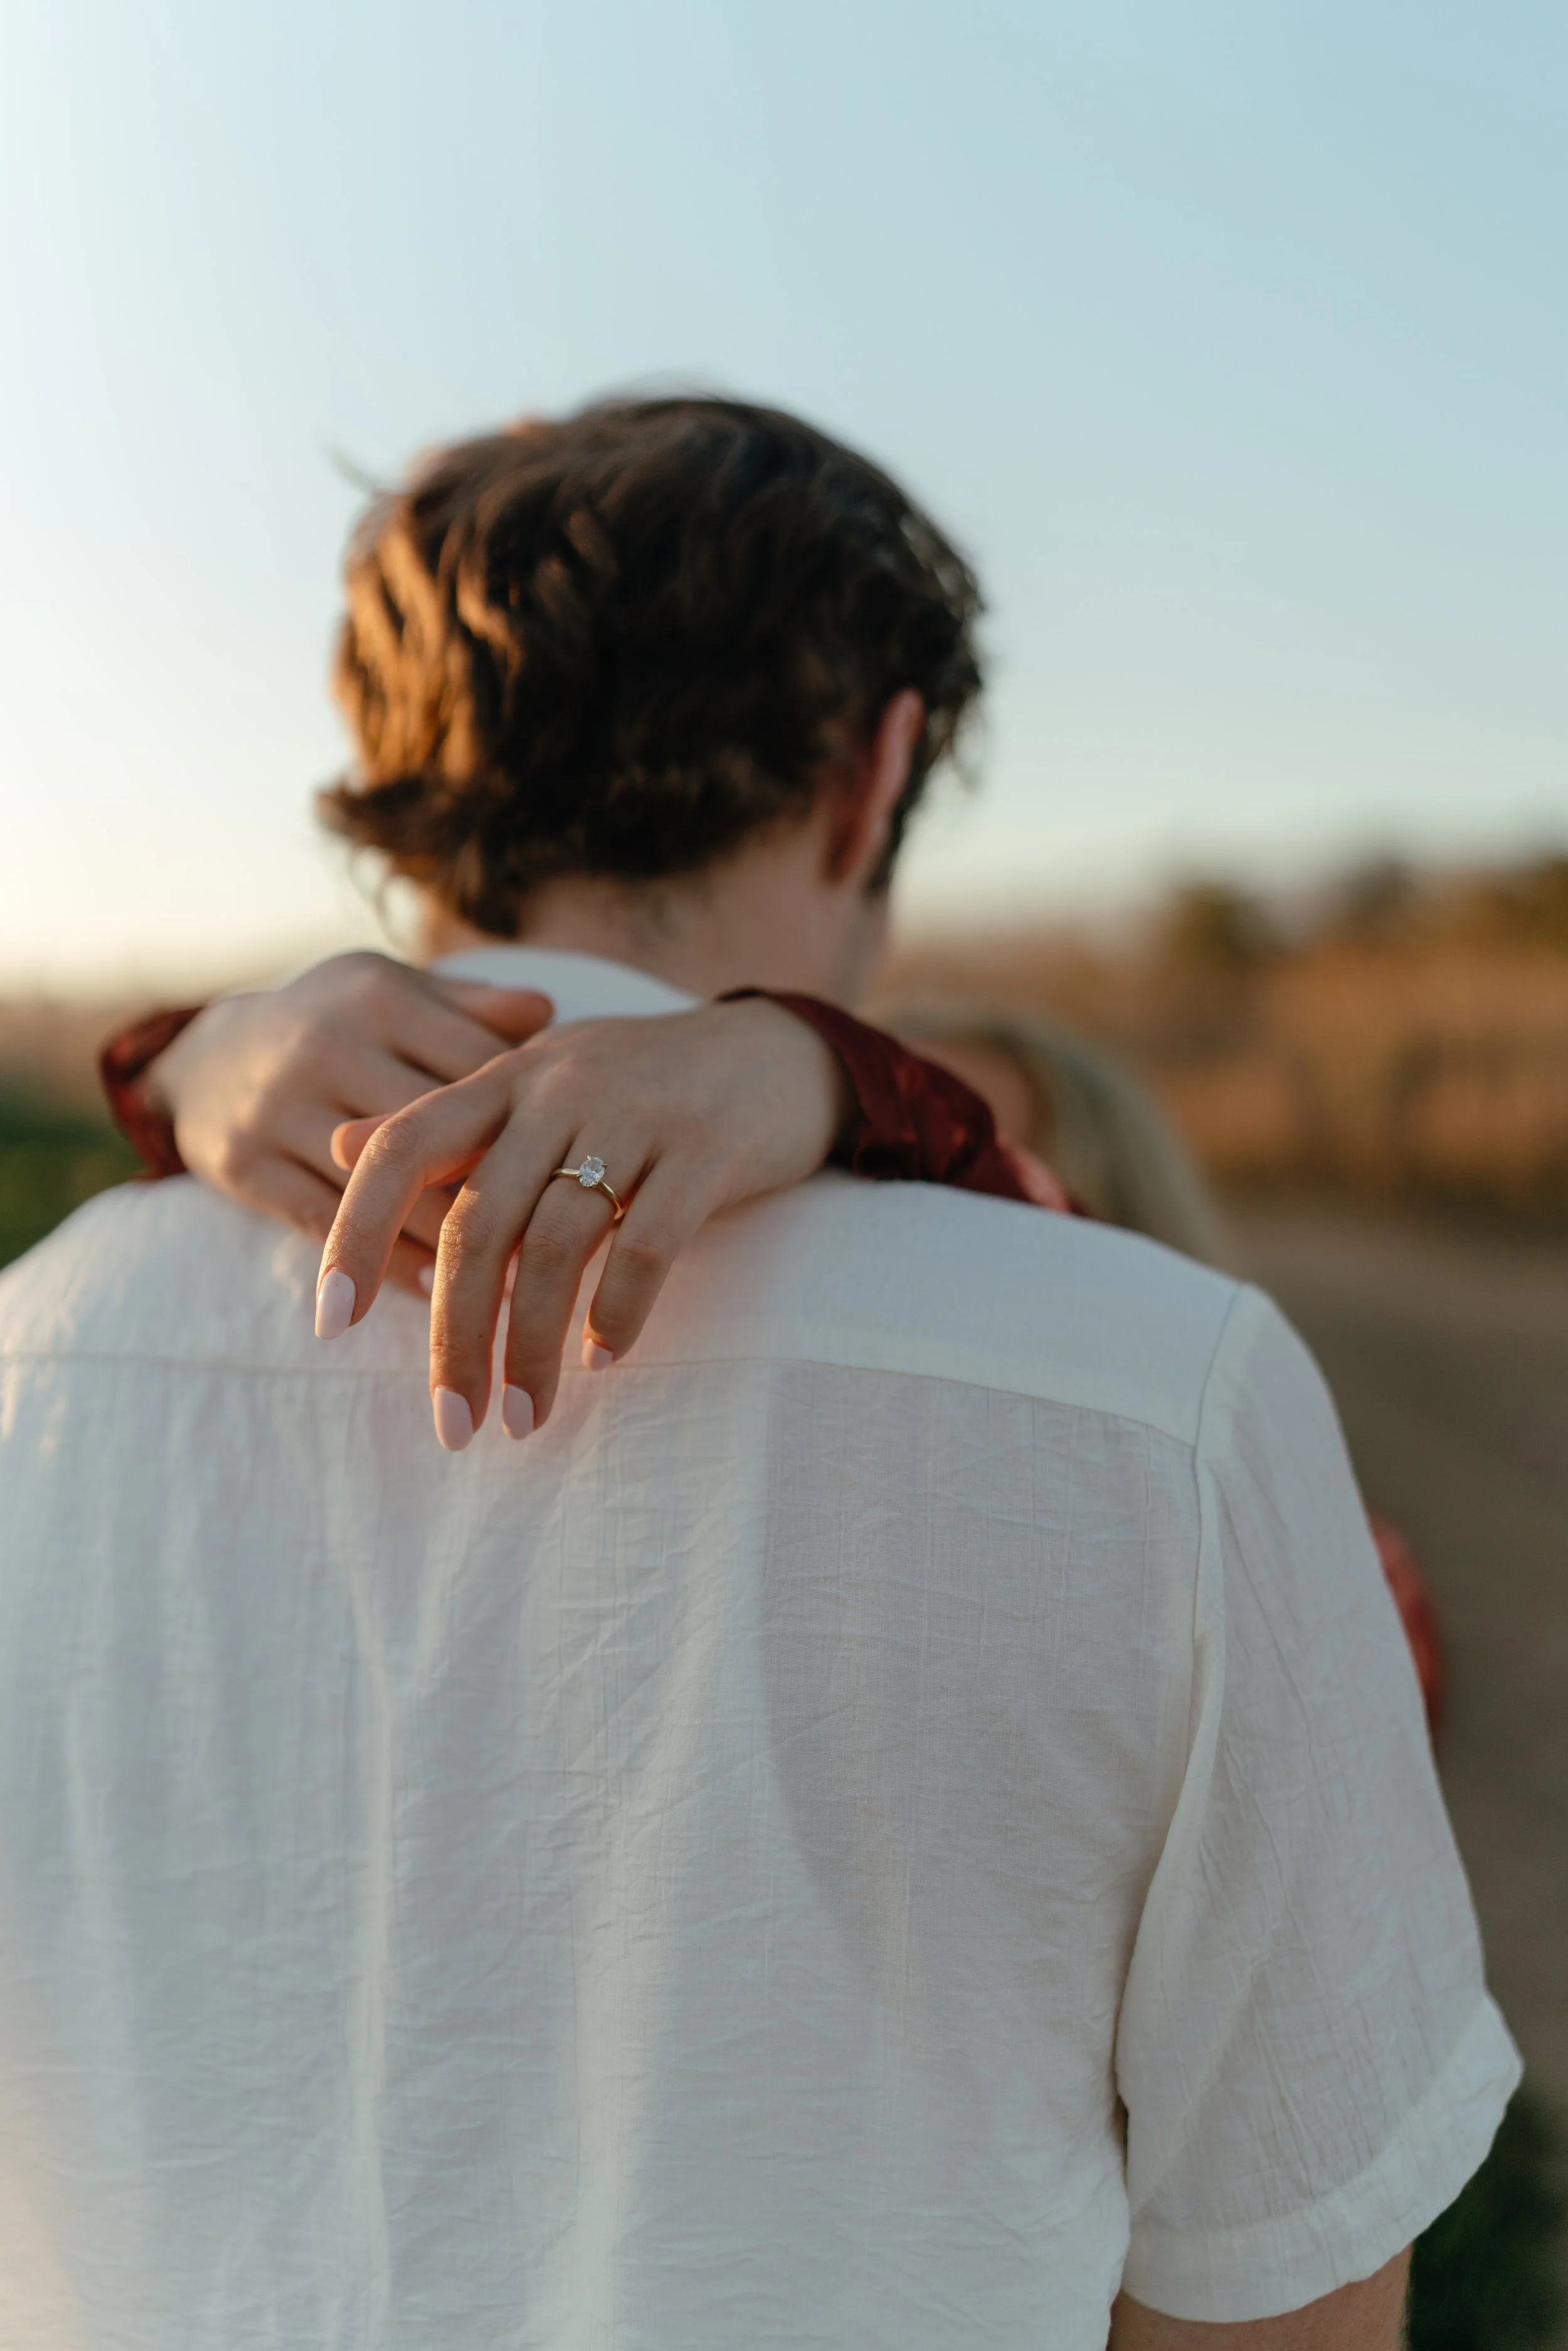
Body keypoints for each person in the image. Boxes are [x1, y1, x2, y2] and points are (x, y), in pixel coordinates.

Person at [0, 395, 1517, 2348]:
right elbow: (1283, 2294)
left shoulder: (33, 1364)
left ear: (387, 785)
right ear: (873, 775)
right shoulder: (1171, 1396)